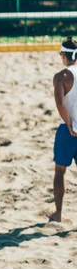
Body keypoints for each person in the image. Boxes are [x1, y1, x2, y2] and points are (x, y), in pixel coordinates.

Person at [50, 36, 77, 222]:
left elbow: (60, 104)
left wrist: (69, 123)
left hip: (68, 130)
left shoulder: (62, 76)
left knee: (60, 171)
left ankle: (58, 213)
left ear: (62, 55)